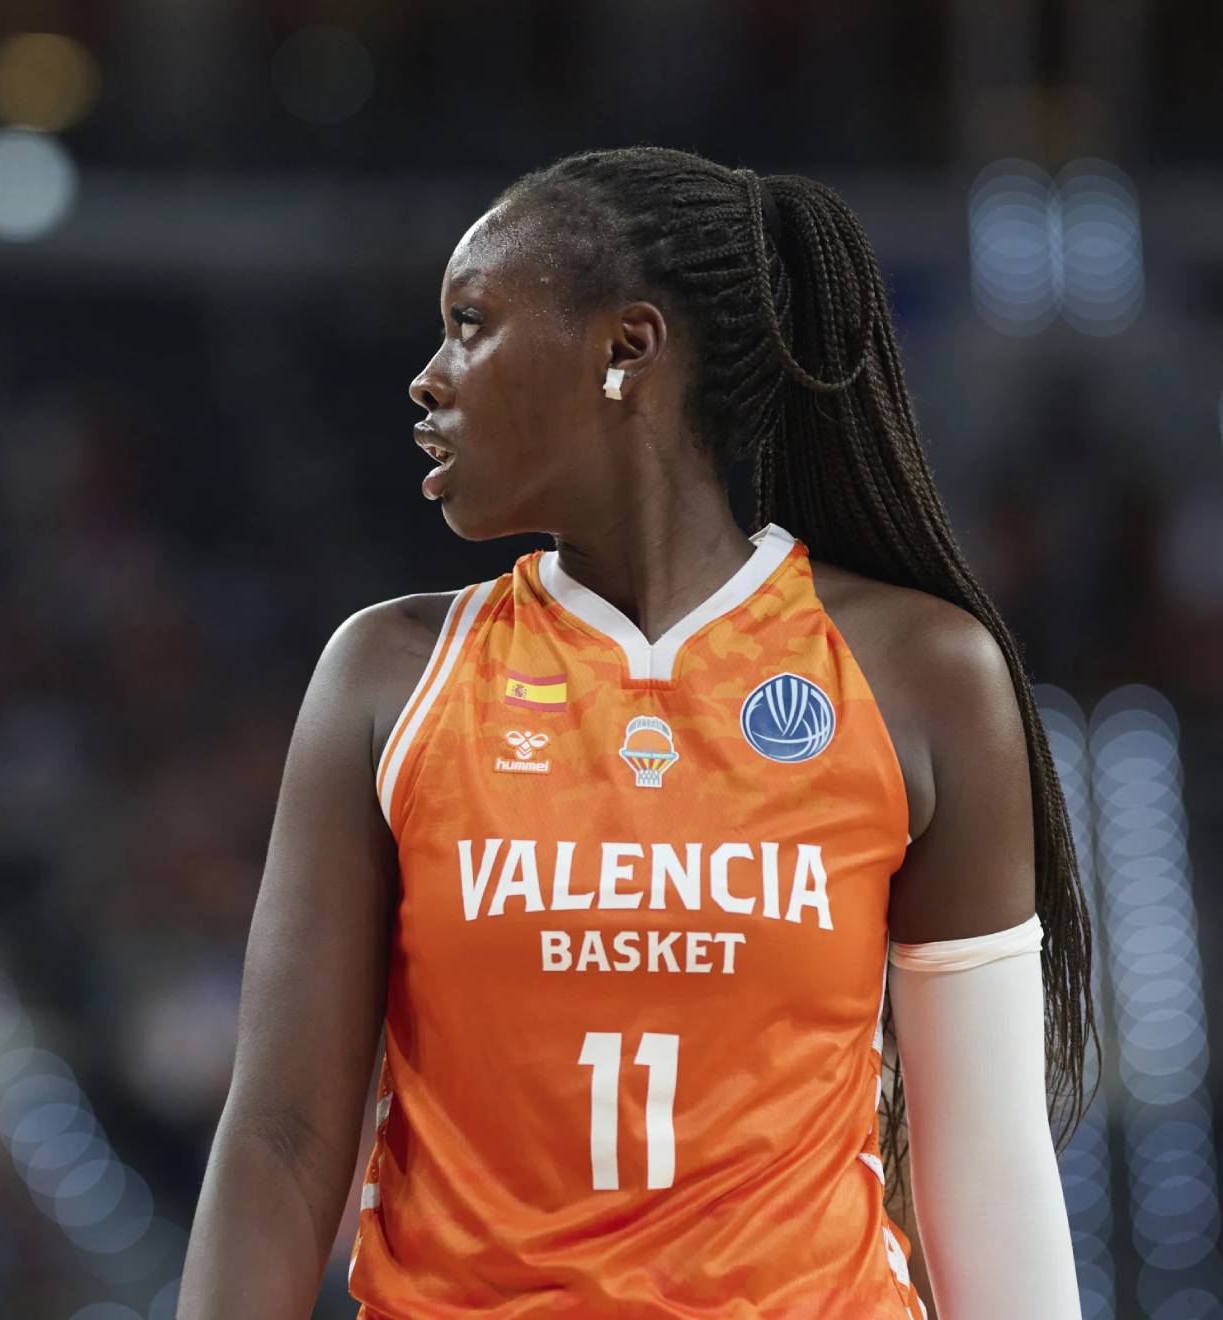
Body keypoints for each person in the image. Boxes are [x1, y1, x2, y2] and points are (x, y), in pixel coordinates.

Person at [177, 146, 1094, 1318]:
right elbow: (283, 1133)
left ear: (626, 348)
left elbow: (988, 1161)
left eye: (470, 325)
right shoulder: (388, 674)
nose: (427, 378)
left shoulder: (919, 674)